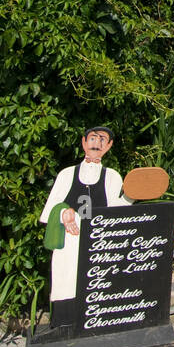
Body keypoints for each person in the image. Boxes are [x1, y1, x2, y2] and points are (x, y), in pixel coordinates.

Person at [39, 126, 130, 329]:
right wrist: (64, 212)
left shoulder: (113, 177)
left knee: (98, 283)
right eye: (92, 138)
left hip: (99, 242)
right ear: (83, 142)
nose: (96, 143)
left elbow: (117, 212)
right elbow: (50, 209)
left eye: (102, 139)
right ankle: (64, 325)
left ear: (109, 146)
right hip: (70, 241)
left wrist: (132, 196)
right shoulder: (66, 174)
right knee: (67, 280)